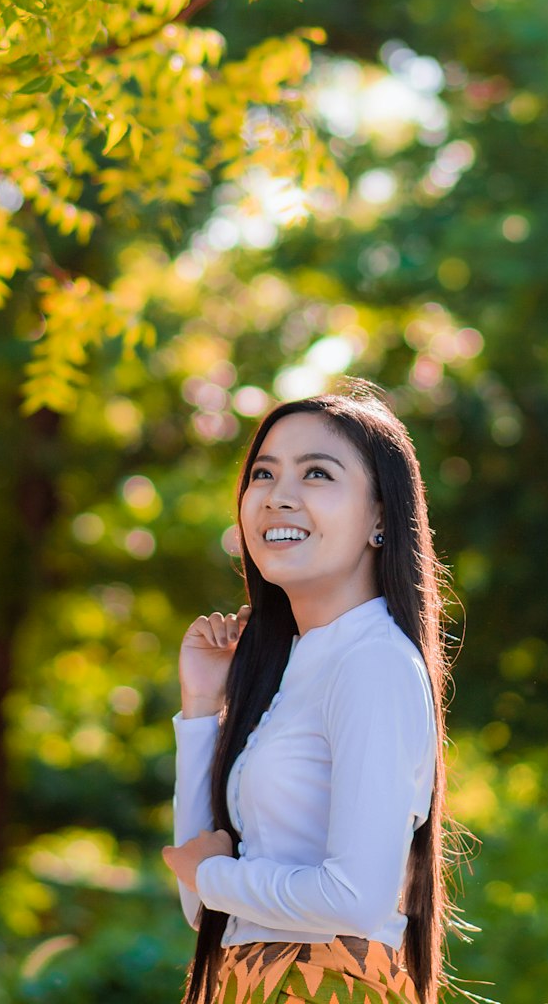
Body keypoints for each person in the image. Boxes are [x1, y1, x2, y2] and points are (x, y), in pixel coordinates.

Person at [161, 385, 473, 1004]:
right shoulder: (302, 666)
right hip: (253, 982)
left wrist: (212, 875)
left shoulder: (373, 661)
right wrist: (201, 710)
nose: (279, 496)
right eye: (263, 474)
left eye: (318, 474)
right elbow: (201, 904)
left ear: (380, 516)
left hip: (325, 985)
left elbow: (356, 901)